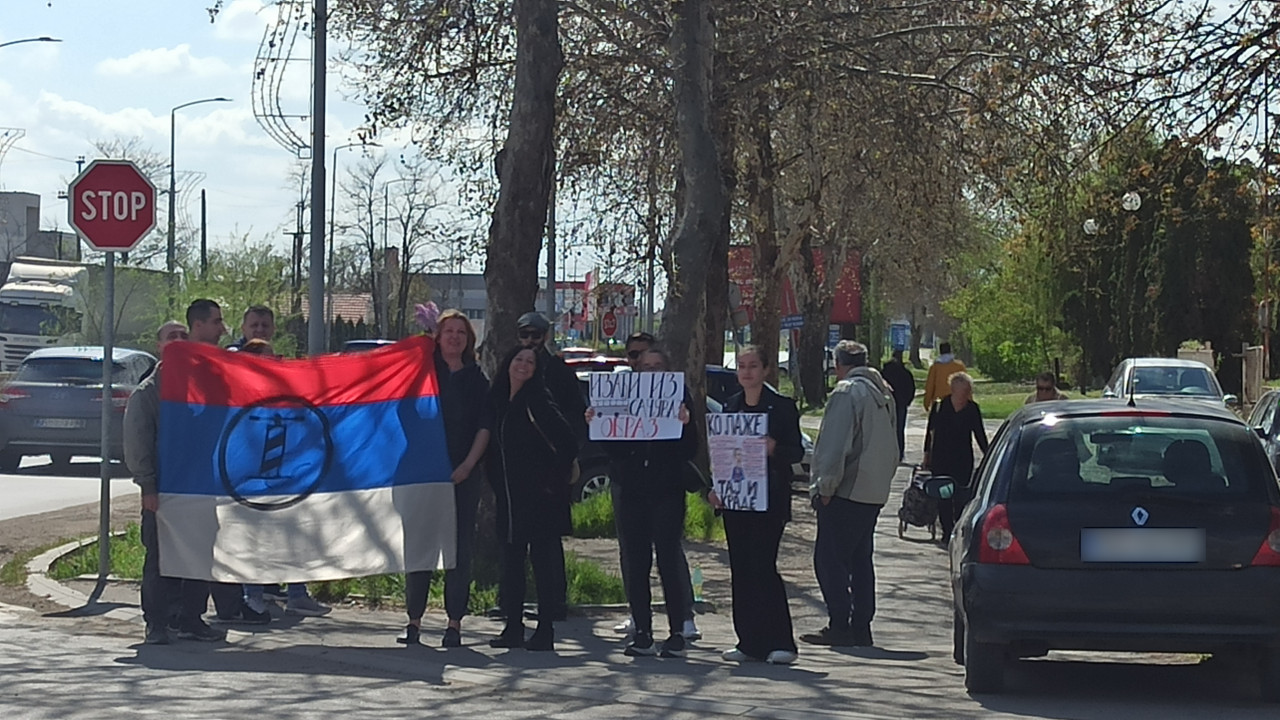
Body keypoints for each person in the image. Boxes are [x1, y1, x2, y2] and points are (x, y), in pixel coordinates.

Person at [591, 348, 696, 658]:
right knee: (636, 562)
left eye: (658, 366)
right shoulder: (623, 397)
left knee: (668, 560)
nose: (652, 371)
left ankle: (676, 632)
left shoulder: (680, 397)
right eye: (646, 366)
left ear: (667, 370)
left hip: (667, 490)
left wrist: (686, 423)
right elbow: (612, 448)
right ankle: (643, 633)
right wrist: (598, 422)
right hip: (632, 490)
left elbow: (690, 449)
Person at [398, 309, 491, 648]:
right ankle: (414, 621)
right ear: (437, 338)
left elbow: (485, 426)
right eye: (448, 331)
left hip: (462, 475)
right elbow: (402, 413)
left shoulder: (477, 379)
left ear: (469, 340)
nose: (454, 337)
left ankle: (454, 623)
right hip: (422, 475)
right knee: (419, 547)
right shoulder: (423, 375)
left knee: (459, 549)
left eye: (461, 333)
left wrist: (468, 465)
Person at [126, 317, 222, 644]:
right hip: (163, 491)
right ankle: (157, 623)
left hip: (200, 490)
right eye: (171, 336)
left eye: (183, 335)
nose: (178, 340)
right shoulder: (147, 394)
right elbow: (138, 444)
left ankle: (191, 619)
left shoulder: (203, 387)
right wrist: (147, 486)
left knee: (198, 557)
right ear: (160, 346)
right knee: (159, 560)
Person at [802, 340, 898, 648]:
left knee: (829, 560)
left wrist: (824, 487)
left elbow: (834, 445)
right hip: (874, 490)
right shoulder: (883, 393)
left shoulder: (847, 392)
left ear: (838, 365)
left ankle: (840, 623)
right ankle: (861, 626)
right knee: (860, 560)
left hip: (847, 490)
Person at [486, 345, 579, 651]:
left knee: (542, 563)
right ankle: (513, 627)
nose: (523, 365)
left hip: (540, 498)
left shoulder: (538, 399)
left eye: (530, 362)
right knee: (511, 563)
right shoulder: (498, 399)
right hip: (509, 497)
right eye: (519, 359)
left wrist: (549, 479)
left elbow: (567, 442)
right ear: (508, 363)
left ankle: (545, 630)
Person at [716, 346, 803, 665]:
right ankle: (749, 642)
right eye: (741, 366)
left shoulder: (781, 407)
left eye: (753, 366)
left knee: (763, 568)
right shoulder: (730, 406)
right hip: (736, 501)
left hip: (769, 500)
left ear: (766, 370)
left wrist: (774, 448)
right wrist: (717, 488)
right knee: (741, 569)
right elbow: (721, 452)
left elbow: (796, 452)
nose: (746, 372)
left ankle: (781, 642)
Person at [235, 336, 332, 618]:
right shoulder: (239, 394)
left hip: (287, 478)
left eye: (276, 357)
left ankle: (297, 594)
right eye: (269, 357)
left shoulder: (285, 392)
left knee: (294, 536)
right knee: (255, 540)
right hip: (253, 481)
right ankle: (252, 595)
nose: (276, 362)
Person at [516, 311, 585, 622]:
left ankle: (555, 602)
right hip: (520, 466)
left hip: (551, 467)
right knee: (517, 537)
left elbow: (576, 417)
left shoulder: (558, 372)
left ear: (545, 336)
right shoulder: (513, 365)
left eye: (535, 335)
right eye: (524, 335)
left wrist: (565, 457)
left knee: (548, 538)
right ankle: (512, 601)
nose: (530, 341)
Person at [924, 372, 990, 540]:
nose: (965, 395)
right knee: (944, 496)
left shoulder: (972, 409)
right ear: (953, 389)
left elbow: (979, 434)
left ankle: (958, 529)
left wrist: (988, 454)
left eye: (967, 391)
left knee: (960, 496)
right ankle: (947, 531)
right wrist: (926, 455)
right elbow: (930, 432)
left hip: (963, 459)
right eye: (962, 391)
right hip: (941, 458)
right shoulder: (939, 406)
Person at [881, 349, 916, 461]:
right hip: (901, 404)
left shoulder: (884, 373)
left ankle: (886, 451)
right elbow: (911, 388)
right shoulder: (905, 373)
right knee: (899, 429)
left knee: (886, 429)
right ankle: (899, 453)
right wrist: (907, 401)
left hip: (886, 404)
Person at [921, 342, 965, 412]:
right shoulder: (959, 366)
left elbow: (930, 386)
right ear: (950, 350)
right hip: (957, 403)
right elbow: (966, 385)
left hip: (939, 403)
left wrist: (926, 403)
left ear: (940, 351)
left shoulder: (935, 367)